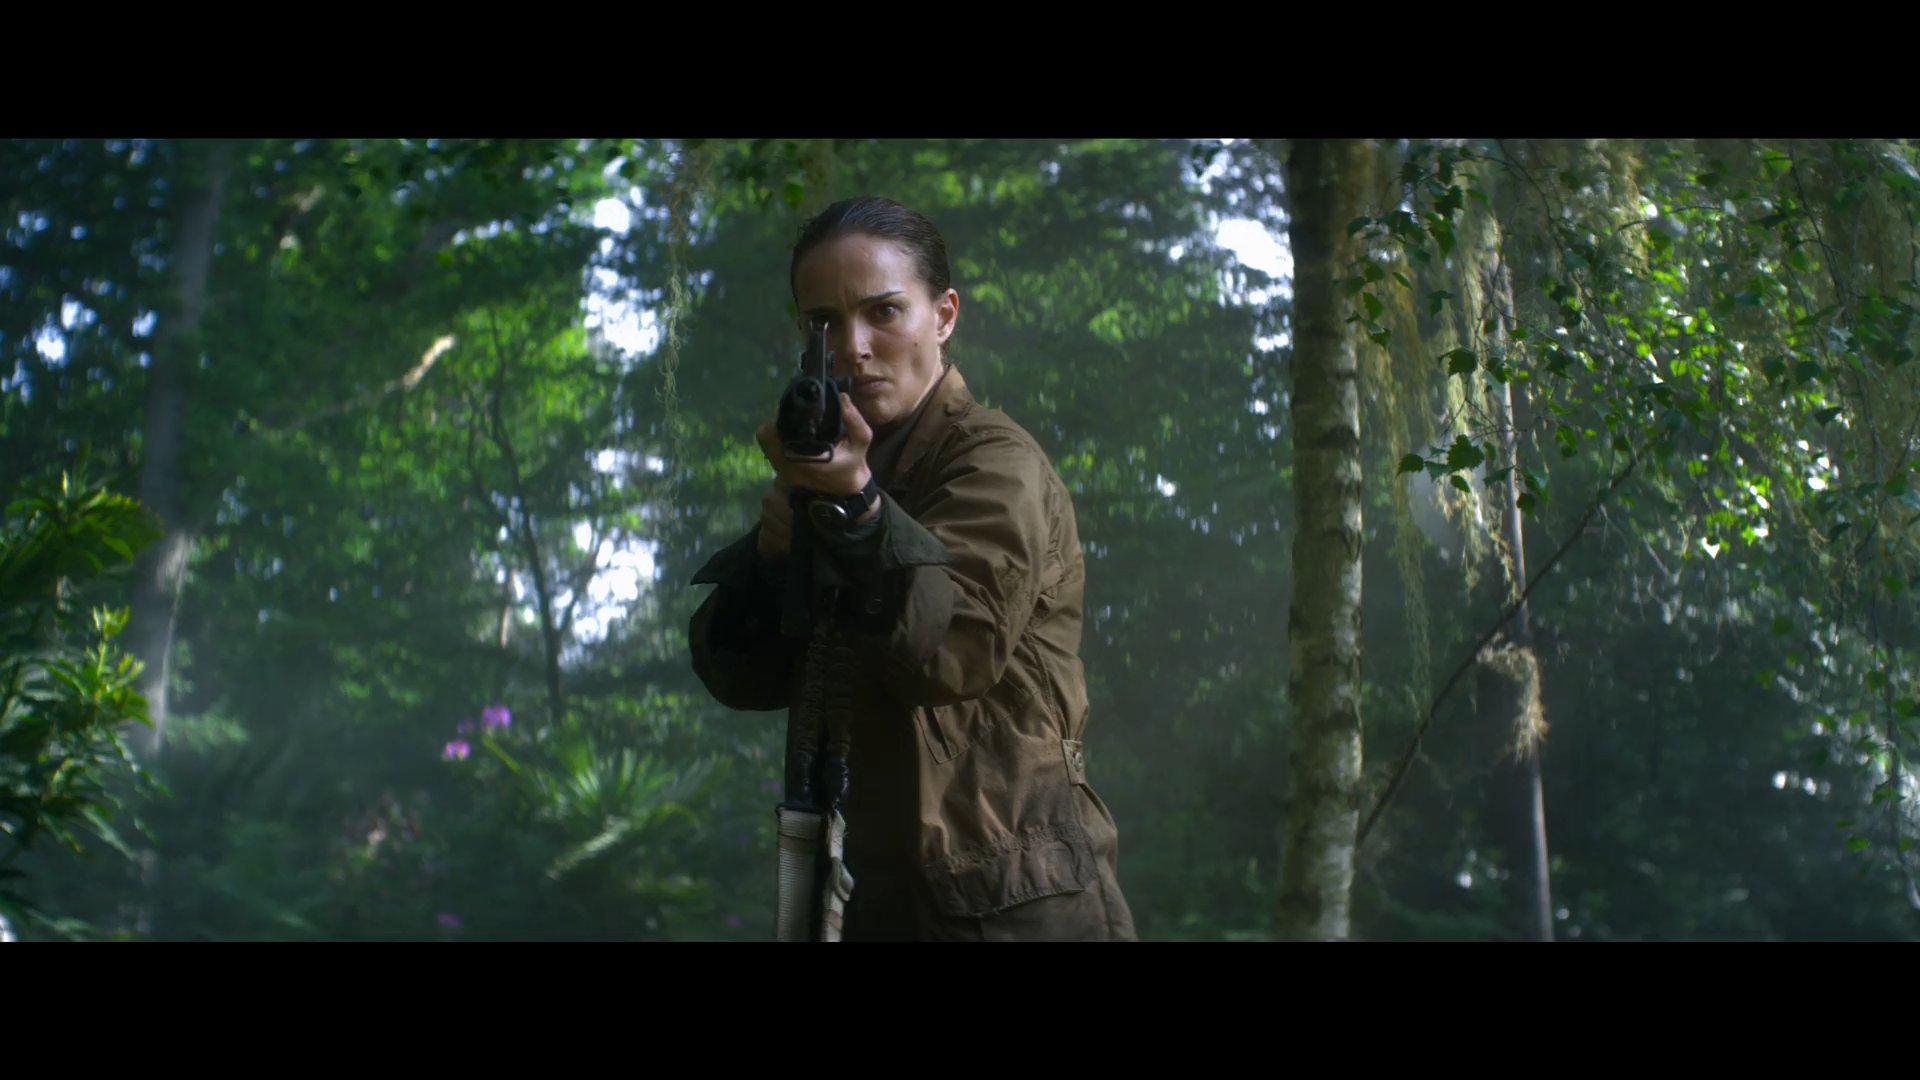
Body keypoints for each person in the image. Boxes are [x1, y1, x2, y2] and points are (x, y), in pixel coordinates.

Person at [689, 196, 1135, 941]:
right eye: (824, 322)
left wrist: (859, 513)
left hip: (1014, 907)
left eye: (884, 311)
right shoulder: (843, 472)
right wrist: (771, 559)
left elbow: (953, 650)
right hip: (869, 898)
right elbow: (739, 677)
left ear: (944, 315)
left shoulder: (995, 462)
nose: (853, 346)